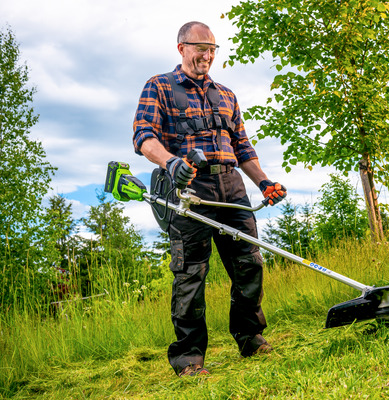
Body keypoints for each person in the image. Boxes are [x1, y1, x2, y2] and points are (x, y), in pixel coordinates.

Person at [132, 21, 287, 377]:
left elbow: (243, 147)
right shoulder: (159, 86)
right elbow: (143, 137)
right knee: (190, 274)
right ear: (181, 48)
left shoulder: (227, 94)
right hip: (189, 190)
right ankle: (188, 358)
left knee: (250, 264)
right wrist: (171, 162)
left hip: (231, 187)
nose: (207, 55)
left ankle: (251, 338)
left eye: (213, 49)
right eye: (200, 47)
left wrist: (263, 183)